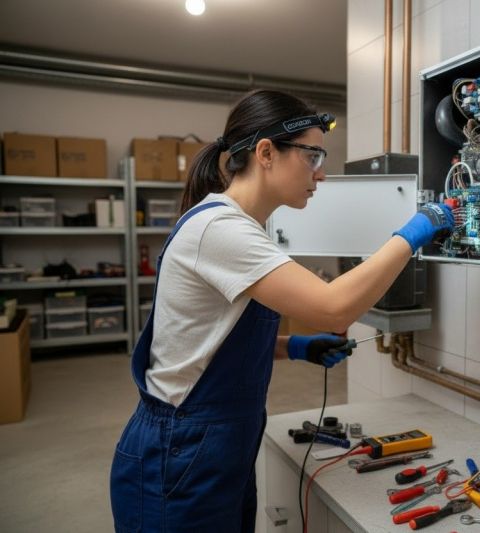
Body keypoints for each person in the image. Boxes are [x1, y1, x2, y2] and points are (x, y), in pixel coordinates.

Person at [109, 89, 453, 533]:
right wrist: (414, 231)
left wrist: (295, 348)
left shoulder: (239, 228)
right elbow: (335, 309)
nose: (322, 173)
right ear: (266, 153)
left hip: (217, 447)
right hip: (180, 452)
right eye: (312, 156)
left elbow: (208, 342)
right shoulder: (220, 229)